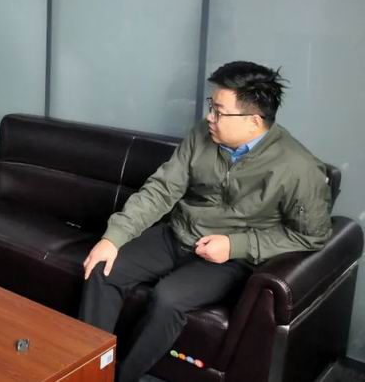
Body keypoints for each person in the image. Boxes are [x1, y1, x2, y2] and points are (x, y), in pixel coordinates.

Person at [79, 61, 331, 382]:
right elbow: (162, 189)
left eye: (219, 112)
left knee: (168, 299)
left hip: (229, 260)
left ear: (254, 121)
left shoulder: (299, 168)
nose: (210, 117)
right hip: (177, 234)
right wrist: (112, 238)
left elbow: (312, 236)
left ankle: (121, 378)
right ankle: (89, 373)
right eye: (212, 106)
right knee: (102, 268)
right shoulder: (202, 134)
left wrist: (236, 245)